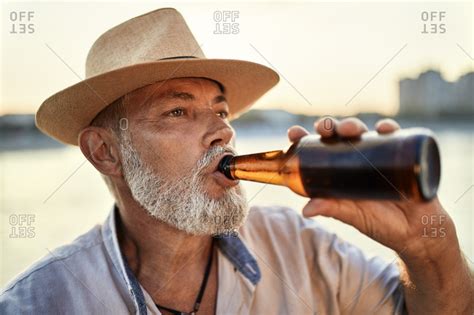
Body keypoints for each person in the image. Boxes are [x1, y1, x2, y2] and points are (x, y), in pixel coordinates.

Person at [1, 7, 472, 315]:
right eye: (178, 111)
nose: (223, 130)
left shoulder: (297, 247)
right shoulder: (40, 302)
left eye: (221, 110)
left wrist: (428, 250)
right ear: (105, 152)